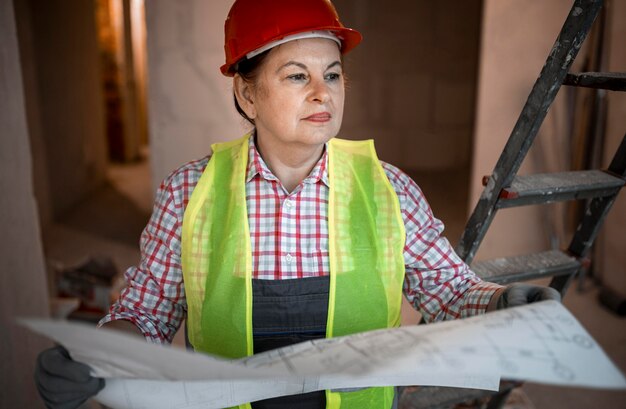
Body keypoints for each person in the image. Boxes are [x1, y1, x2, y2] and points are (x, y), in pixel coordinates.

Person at [34, 0, 561, 408]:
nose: (323, 94)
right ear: (247, 95)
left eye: (332, 74)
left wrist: (499, 303)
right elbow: (145, 315)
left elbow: (448, 291)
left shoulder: (389, 190)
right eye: (296, 75)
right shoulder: (189, 193)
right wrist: (95, 358)